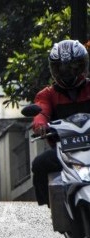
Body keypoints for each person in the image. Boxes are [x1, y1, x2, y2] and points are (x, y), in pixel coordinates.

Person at [31, 39, 90, 206]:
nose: (68, 73)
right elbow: (41, 112)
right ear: (54, 70)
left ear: (83, 66)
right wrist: (40, 126)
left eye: (73, 67)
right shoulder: (47, 94)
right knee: (39, 164)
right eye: (62, 69)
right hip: (64, 151)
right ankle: (51, 205)